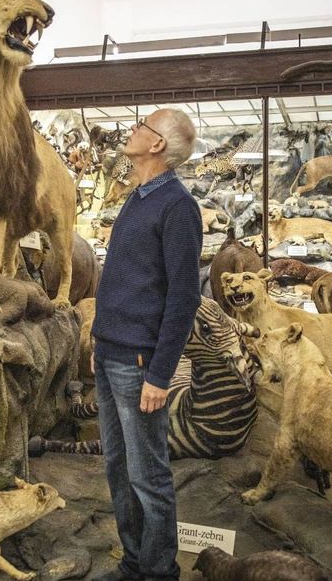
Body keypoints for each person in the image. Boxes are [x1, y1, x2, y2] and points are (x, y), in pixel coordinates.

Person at [90, 108, 202, 581]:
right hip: (110, 355)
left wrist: (159, 373)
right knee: (118, 469)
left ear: (157, 145)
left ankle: (158, 572)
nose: (132, 130)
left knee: (148, 476)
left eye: (142, 125)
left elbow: (184, 295)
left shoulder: (177, 205)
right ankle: (135, 562)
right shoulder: (138, 197)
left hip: (138, 365)